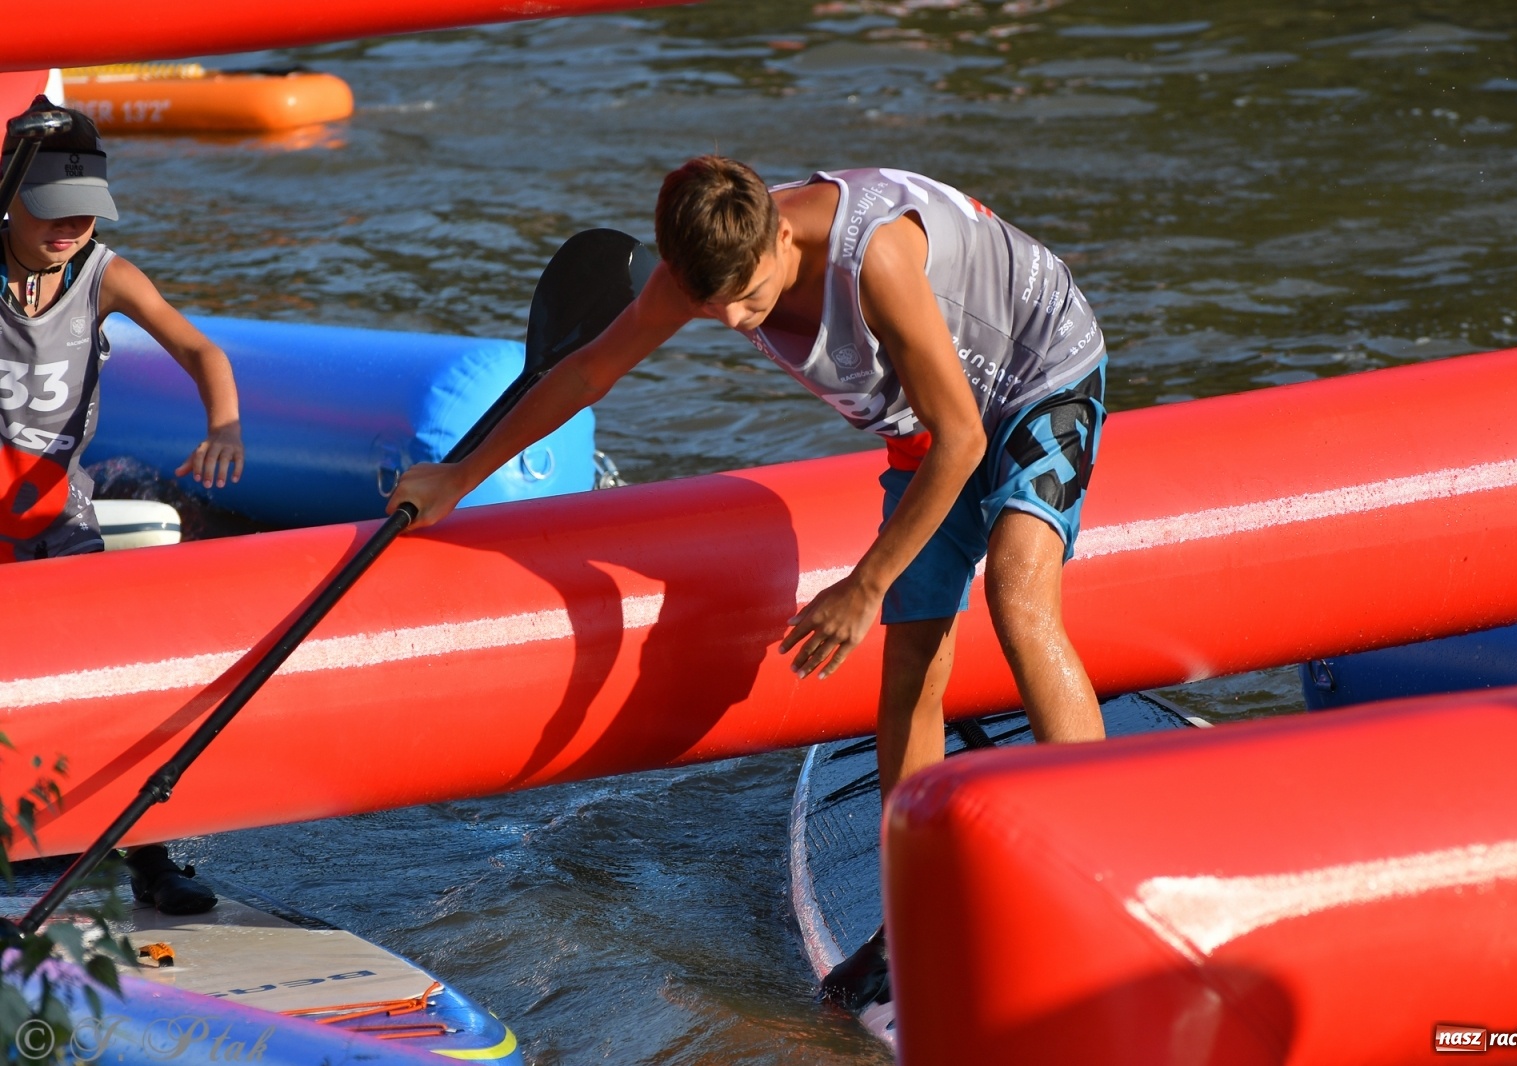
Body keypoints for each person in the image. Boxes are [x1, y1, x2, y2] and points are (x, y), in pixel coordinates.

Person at [388, 157, 1109, 1006]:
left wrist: (864, 584)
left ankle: (1099, 878)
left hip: (1034, 377)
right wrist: (458, 477)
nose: (730, 318)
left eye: (748, 297)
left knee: (1018, 605)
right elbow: (587, 374)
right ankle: (910, 916)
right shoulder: (699, 269)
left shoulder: (873, 258)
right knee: (912, 654)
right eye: (710, 304)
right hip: (928, 417)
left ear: (778, 233)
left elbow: (965, 442)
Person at [1, 98, 244, 914]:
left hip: (61, 522)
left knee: (105, 688)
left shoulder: (105, 274)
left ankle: (146, 856)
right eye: (52, 213)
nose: (70, 228)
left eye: (86, 214)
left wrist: (225, 423)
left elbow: (199, 348)